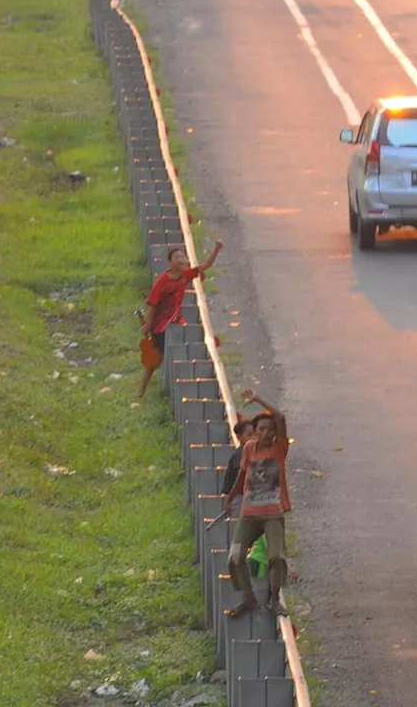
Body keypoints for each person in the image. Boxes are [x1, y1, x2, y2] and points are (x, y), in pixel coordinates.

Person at [224, 388, 292, 617]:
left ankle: (274, 599)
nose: (265, 433)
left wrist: (257, 399)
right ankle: (249, 597)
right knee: (235, 556)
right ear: (256, 431)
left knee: (277, 557)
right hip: (250, 512)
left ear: (274, 433)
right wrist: (231, 497)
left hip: (273, 512)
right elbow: (242, 475)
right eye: (261, 429)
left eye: (269, 430)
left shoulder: (280, 449)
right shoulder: (249, 448)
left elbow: (280, 417)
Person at [136, 240, 224, 398]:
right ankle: (142, 388)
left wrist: (216, 250)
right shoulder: (163, 281)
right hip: (160, 325)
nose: (181, 259)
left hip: (177, 321)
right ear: (170, 261)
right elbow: (153, 304)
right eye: (177, 256)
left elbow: (205, 266)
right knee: (155, 359)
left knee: (183, 348)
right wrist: (148, 323)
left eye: (183, 256)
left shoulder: (186, 275)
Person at [221, 418, 255, 519]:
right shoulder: (239, 455)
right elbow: (240, 479)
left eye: (255, 434)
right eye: (249, 435)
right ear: (239, 437)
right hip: (238, 499)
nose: (253, 438)